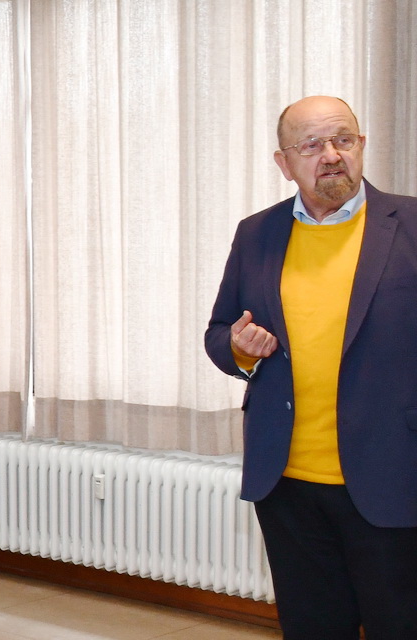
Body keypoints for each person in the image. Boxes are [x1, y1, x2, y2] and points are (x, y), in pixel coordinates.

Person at [204, 95, 417, 638]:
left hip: (394, 479)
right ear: (285, 162)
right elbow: (219, 333)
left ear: (362, 146)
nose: (330, 154)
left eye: (343, 139)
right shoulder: (257, 233)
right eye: (312, 144)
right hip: (289, 486)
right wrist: (240, 346)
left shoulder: (411, 224)